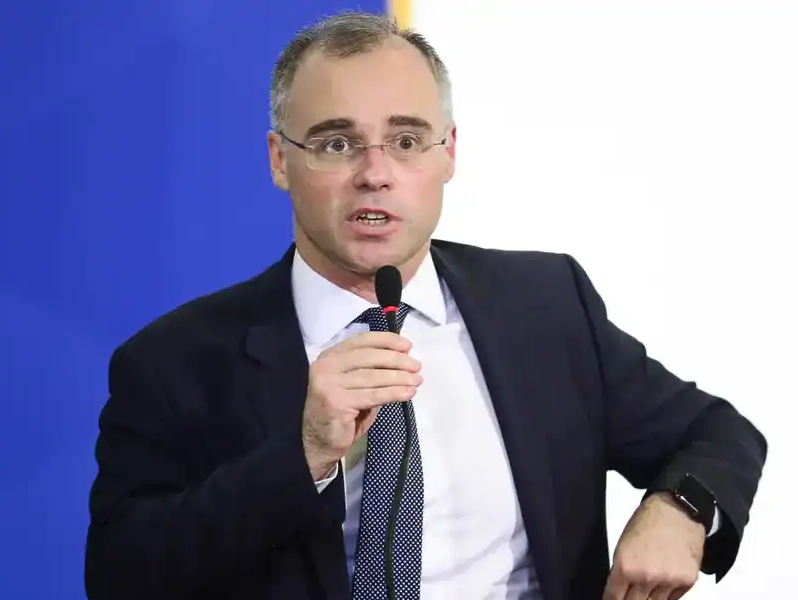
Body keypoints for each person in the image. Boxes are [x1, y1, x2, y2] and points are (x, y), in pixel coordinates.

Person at [84, 10, 767, 600]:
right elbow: (121, 575)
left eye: (407, 140)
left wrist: (681, 507)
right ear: (279, 160)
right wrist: (303, 455)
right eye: (336, 143)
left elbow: (715, 432)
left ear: (449, 154)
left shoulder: (545, 306)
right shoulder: (174, 361)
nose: (375, 173)